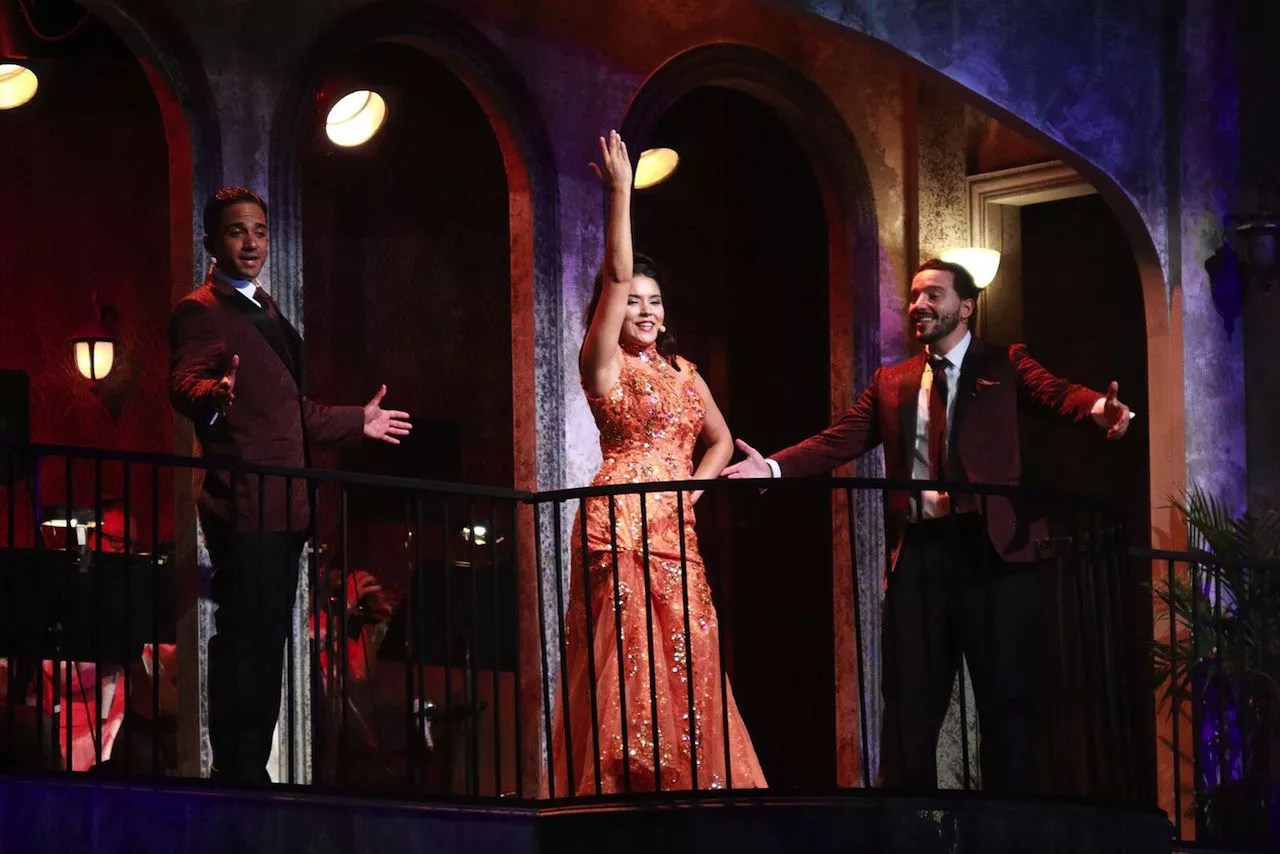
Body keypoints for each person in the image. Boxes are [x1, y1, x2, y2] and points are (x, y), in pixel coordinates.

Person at [724, 258, 1134, 793]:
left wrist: (1100, 407)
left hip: (994, 553)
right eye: (915, 295)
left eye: (934, 295)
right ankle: (911, 826)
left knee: (1009, 705)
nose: (919, 304)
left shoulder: (1003, 362)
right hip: (922, 553)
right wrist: (773, 468)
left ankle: (1009, 828)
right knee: (909, 707)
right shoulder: (891, 381)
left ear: (966, 307)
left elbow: (1055, 392)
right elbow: (841, 437)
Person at [169, 187, 412, 783]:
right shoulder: (202, 310)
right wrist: (213, 394)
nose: (251, 242)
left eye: (259, 231)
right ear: (211, 241)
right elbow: (184, 384)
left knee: (268, 639)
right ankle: (237, 771)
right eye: (237, 231)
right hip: (247, 502)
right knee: (245, 640)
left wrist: (357, 420)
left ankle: (250, 767)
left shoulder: (264, 309)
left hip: (285, 505)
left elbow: (293, 413)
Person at [553, 132, 766, 794]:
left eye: (655, 301)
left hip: (674, 523)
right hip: (618, 519)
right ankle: (626, 781)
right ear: (611, 312)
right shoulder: (603, 365)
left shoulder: (684, 372)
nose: (644, 310)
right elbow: (616, 275)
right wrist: (621, 192)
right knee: (629, 647)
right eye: (633, 301)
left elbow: (722, 442)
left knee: (690, 639)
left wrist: (691, 493)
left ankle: (690, 778)